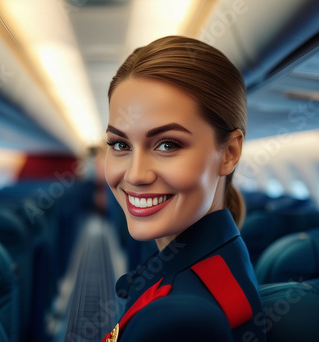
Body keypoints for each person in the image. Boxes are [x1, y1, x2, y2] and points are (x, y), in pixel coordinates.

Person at [102, 36, 266, 341]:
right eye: (120, 144)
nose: (136, 175)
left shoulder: (181, 323)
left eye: (167, 145)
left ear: (229, 153)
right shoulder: (213, 263)